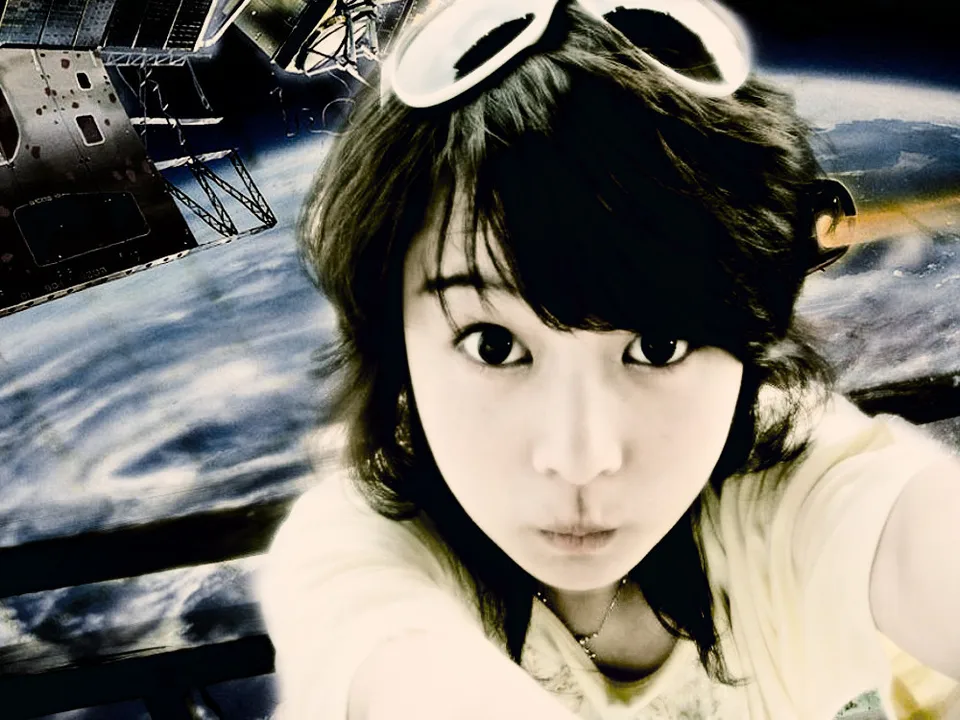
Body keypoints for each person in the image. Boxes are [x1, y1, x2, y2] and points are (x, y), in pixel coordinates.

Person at [256, 1, 960, 718]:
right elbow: (398, 665)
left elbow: (923, 542)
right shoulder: (364, 549)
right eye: (494, 345)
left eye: (657, 345)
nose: (580, 458)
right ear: (396, 342)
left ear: (747, 334)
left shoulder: (794, 482)